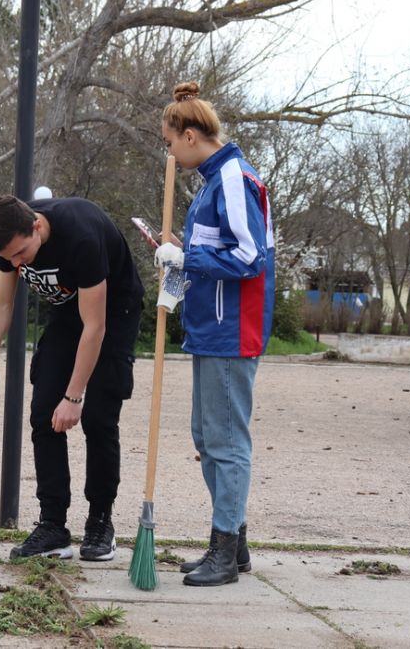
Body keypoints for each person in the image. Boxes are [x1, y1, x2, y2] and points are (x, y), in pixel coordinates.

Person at [0, 193, 144, 561]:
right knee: (42, 415)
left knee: (98, 418)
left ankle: (100, 521)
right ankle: (53, 525)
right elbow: (2, 303)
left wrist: (74, 396)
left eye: (21, 254)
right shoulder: (9, 239)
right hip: (67, 314)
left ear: (37, 225)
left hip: (113, 314)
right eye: (9, 259)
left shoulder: (80, 236)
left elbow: (95, 328)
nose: (16, 264)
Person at [154, 81, 275, 586]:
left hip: (232, 330)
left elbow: (251, 257)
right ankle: (235, 543)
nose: (168, 153)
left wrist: (189, 257)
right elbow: (220, 248)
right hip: (209, 326)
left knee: (226, 441)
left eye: (168, 143)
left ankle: (224, 550)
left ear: (188, 135)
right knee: (207, 437)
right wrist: (181, 255)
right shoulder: (210, 181)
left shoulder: (231, 178)